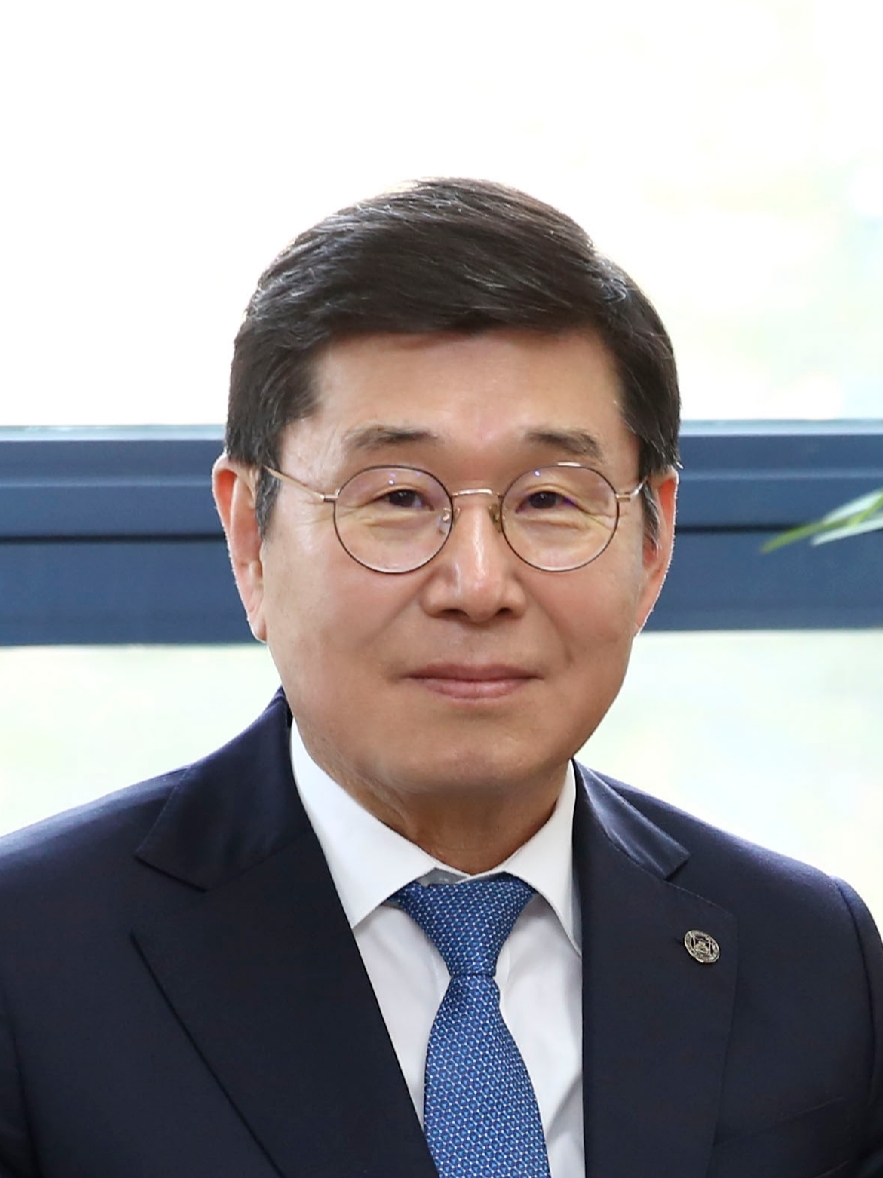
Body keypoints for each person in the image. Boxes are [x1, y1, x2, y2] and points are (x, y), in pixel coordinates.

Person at [0, 179, 880, 1178]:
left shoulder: (810, 955)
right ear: (249, 536)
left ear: (652, 542)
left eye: (549, 499)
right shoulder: (33, 957)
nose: (477, 584)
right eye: (396, 498)